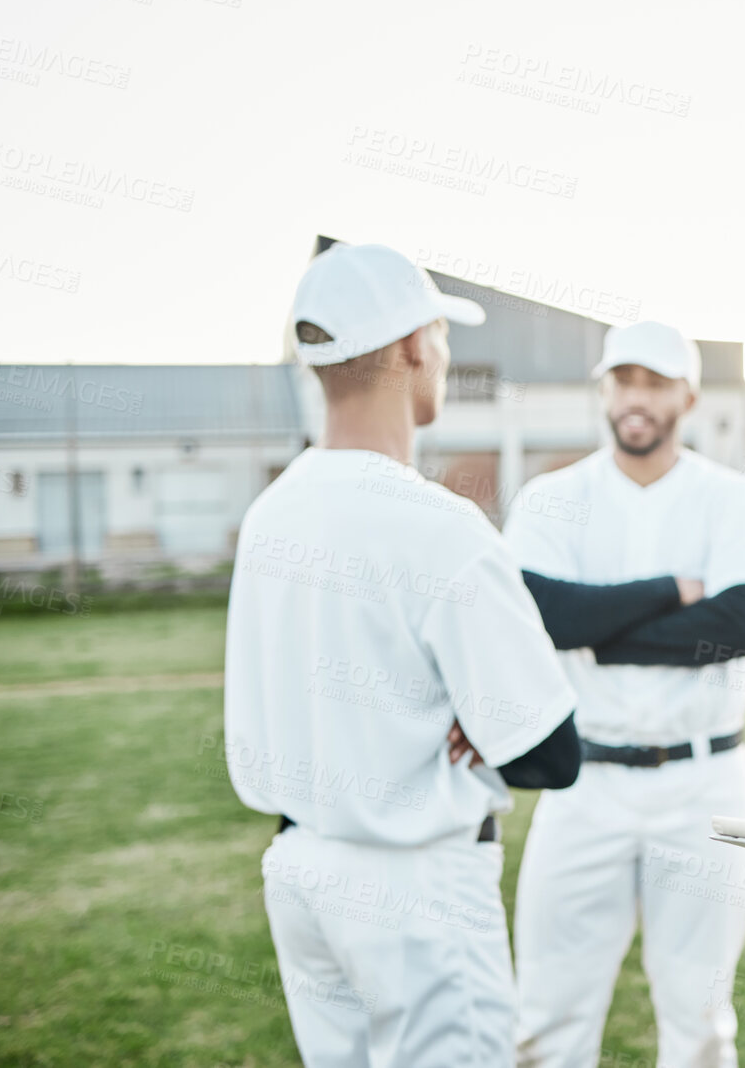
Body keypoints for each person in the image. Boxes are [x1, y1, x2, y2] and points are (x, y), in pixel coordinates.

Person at [224, 242, 583, 1068]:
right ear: (413, 346)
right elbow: (549, 752)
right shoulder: (439, 524)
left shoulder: (272, 513)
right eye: (440, 337)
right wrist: (477, 711)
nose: (444, 356)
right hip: (416, 888)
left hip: (301, 871)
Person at [504, 320, 745, 1068]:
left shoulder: (733, 498)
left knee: (698, 1023)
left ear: (687, 395)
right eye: (623, 380)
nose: (637, 397)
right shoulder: (551, 497)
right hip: (584, 781)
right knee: (545, 1019)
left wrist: (595, 628)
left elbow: (743, 622)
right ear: (603, 389)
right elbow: (540, 613)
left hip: (703, 783)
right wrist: (671, 590)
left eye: (655, 382)